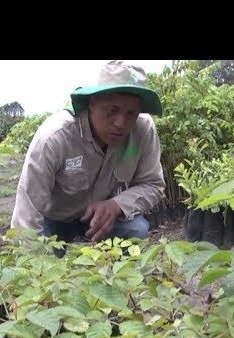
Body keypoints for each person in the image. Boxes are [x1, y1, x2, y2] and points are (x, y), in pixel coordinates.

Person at [10, 60, 165, 246]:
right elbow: (27, 214)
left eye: (131, 113)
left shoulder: (143, 129)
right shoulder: (54, 138)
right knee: (46, 252)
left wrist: (116, 205)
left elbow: (153, 184)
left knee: (136, 230)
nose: (121, 123)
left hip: (104, 221)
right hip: (55, 221)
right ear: (92, 103)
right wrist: (36, 267)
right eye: (112, 110)